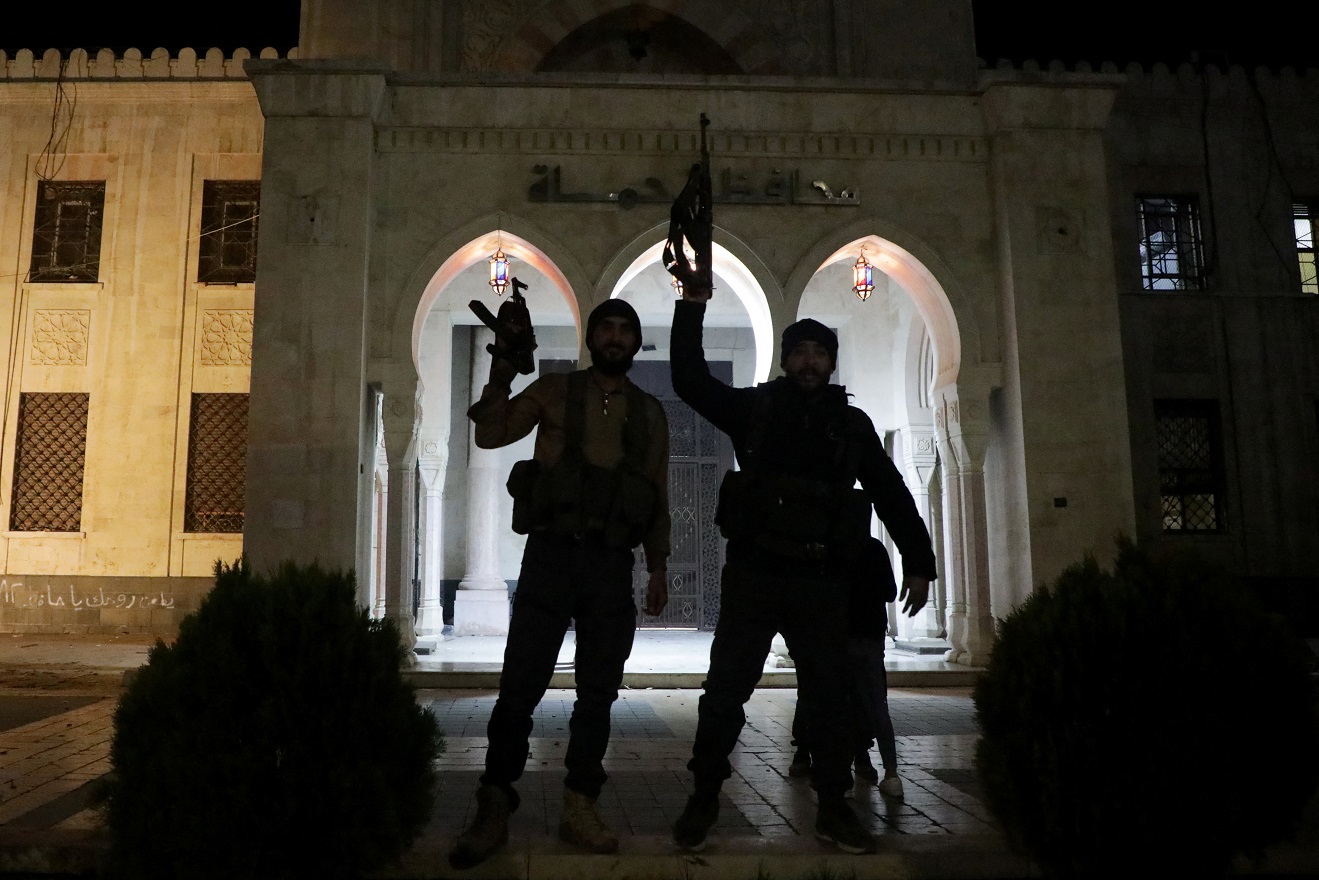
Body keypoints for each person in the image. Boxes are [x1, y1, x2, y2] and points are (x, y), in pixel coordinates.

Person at [668, 286, 937, 855]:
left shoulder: (852, 425)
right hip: (755, 575)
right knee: (724, 692)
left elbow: (890, 492)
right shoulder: (756, 409)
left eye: (820, 351)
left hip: (821, 582)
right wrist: (690, 305)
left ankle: (834, 808)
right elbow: (690, 381)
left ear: (831, 362)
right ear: (785, 359)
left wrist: (919, 561)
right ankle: (704, 797)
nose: (810, 360)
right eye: (801, 351)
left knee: (830, 698)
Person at [448, 298, 671, 870]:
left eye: (626, 329)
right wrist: (502, 368)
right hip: (550, 558)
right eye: (607, 328)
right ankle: (493, 806)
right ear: (591, 337)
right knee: (519, 689)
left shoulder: (649, 413)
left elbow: (655, 493)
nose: (615, 338)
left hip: (610, 566)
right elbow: (491, 434)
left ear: (635, 341)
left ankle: (580, 806)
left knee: (598, 695)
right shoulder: (551, 392)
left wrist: (659, 565)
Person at [789, 536, 907, 800]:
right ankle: (889, 772)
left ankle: (817, 763)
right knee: (876, 706)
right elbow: (889, 591)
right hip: (869, 636)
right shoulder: (874, 548)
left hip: (834, 639)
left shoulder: (826, 545)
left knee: (823, 700)